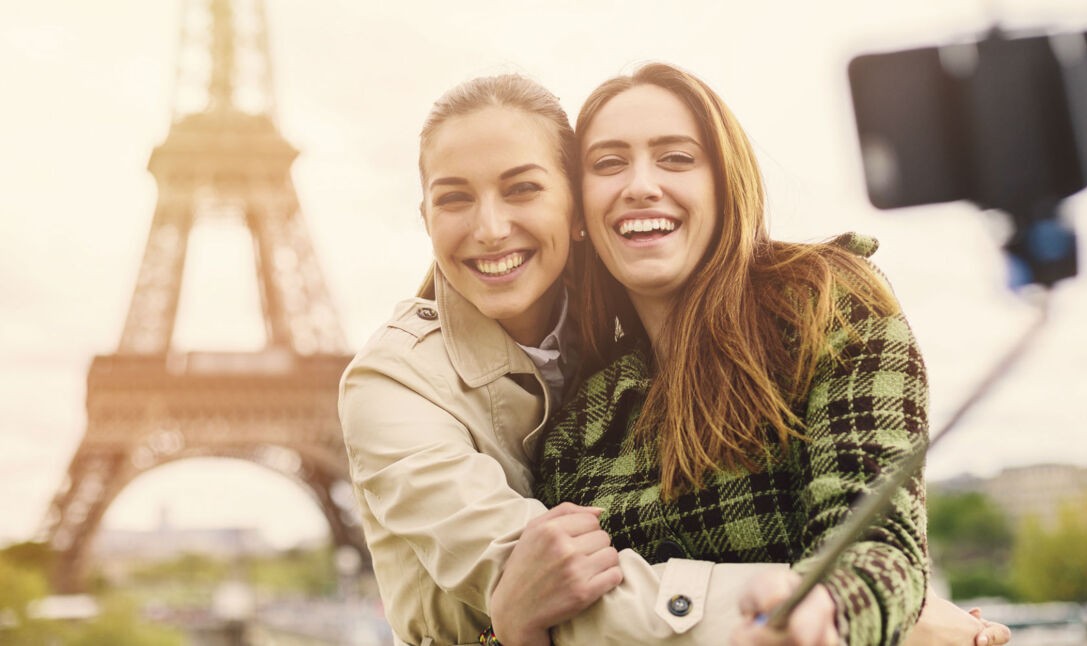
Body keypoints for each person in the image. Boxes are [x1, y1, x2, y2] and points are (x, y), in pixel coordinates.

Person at [534, 62, 1011, 646]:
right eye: (609, 163)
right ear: (579, 211)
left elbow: (878, 539)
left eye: (677, 157)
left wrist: (824, 609)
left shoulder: (828, 308)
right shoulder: (574, 428)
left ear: (726, 182)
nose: (640, 185)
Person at [340, 72, 802, 646]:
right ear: (426, 217)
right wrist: (820, 600)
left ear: (577, 205)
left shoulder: (628, 322)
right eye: (455, 198)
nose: (490, 229)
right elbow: (549, 589)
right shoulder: (391, 383)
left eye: (522, 189)